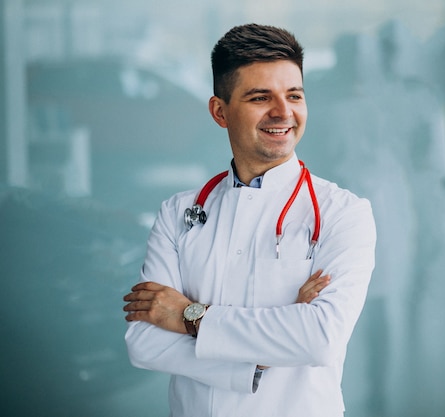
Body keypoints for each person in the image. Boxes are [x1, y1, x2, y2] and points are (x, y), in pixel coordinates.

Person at [122, 23, 376, 417]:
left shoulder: (344, 214)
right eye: (261, 97)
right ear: (220, 112)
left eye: (294, 95)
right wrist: (261, 357)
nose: (283, 112)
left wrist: (188, 315)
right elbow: (144, 342)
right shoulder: (178, 213)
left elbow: (321, 338)